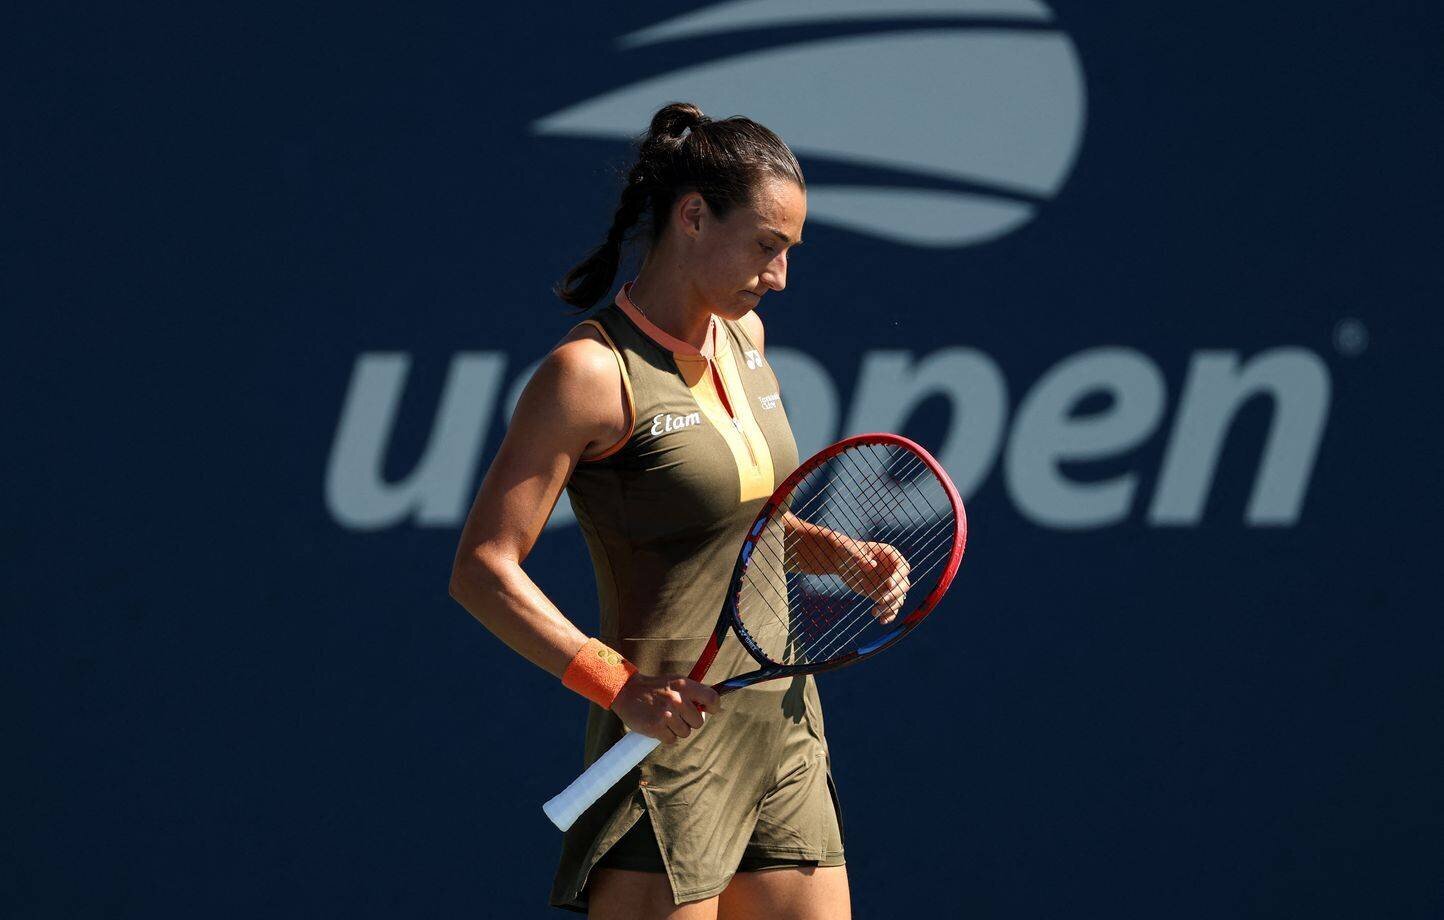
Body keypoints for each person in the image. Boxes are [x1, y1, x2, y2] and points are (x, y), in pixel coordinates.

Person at [448, 101, 849, 919]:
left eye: (788, 253)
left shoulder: (748, 340)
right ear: (693, 216)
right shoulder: (590, 375)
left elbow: (743, 529)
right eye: (767, 247)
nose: (779, 277)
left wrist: (834, 553)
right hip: (668, 754)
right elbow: (482, 568)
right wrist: (618, 685)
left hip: (785, 733)